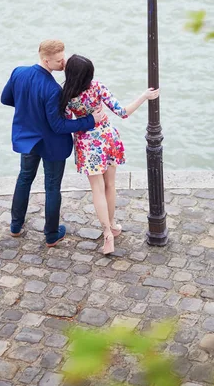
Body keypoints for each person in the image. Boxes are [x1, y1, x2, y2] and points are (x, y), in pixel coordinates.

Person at [1, 40, 103, 247]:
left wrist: (27, 108)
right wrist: (91, 120)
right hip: (52, 144)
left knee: (24, 178)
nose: (63, 63)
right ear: (46, 60)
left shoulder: (18, 72)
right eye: (59, 60)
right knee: (52, 187)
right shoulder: (53, 89)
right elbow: (58, 126)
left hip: (28, 139)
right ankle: (51, 234)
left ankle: (15, 226)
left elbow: (6, 99)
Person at [59, 54, 159, 254]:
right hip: (106, 139)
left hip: (86, 145)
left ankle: (107, 233)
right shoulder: (97, 87)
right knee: (110, 185)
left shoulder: (65, 94)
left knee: (97, 189)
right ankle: (112, 224)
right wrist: (144, 96)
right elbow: (123, 112)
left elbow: (65, 123)